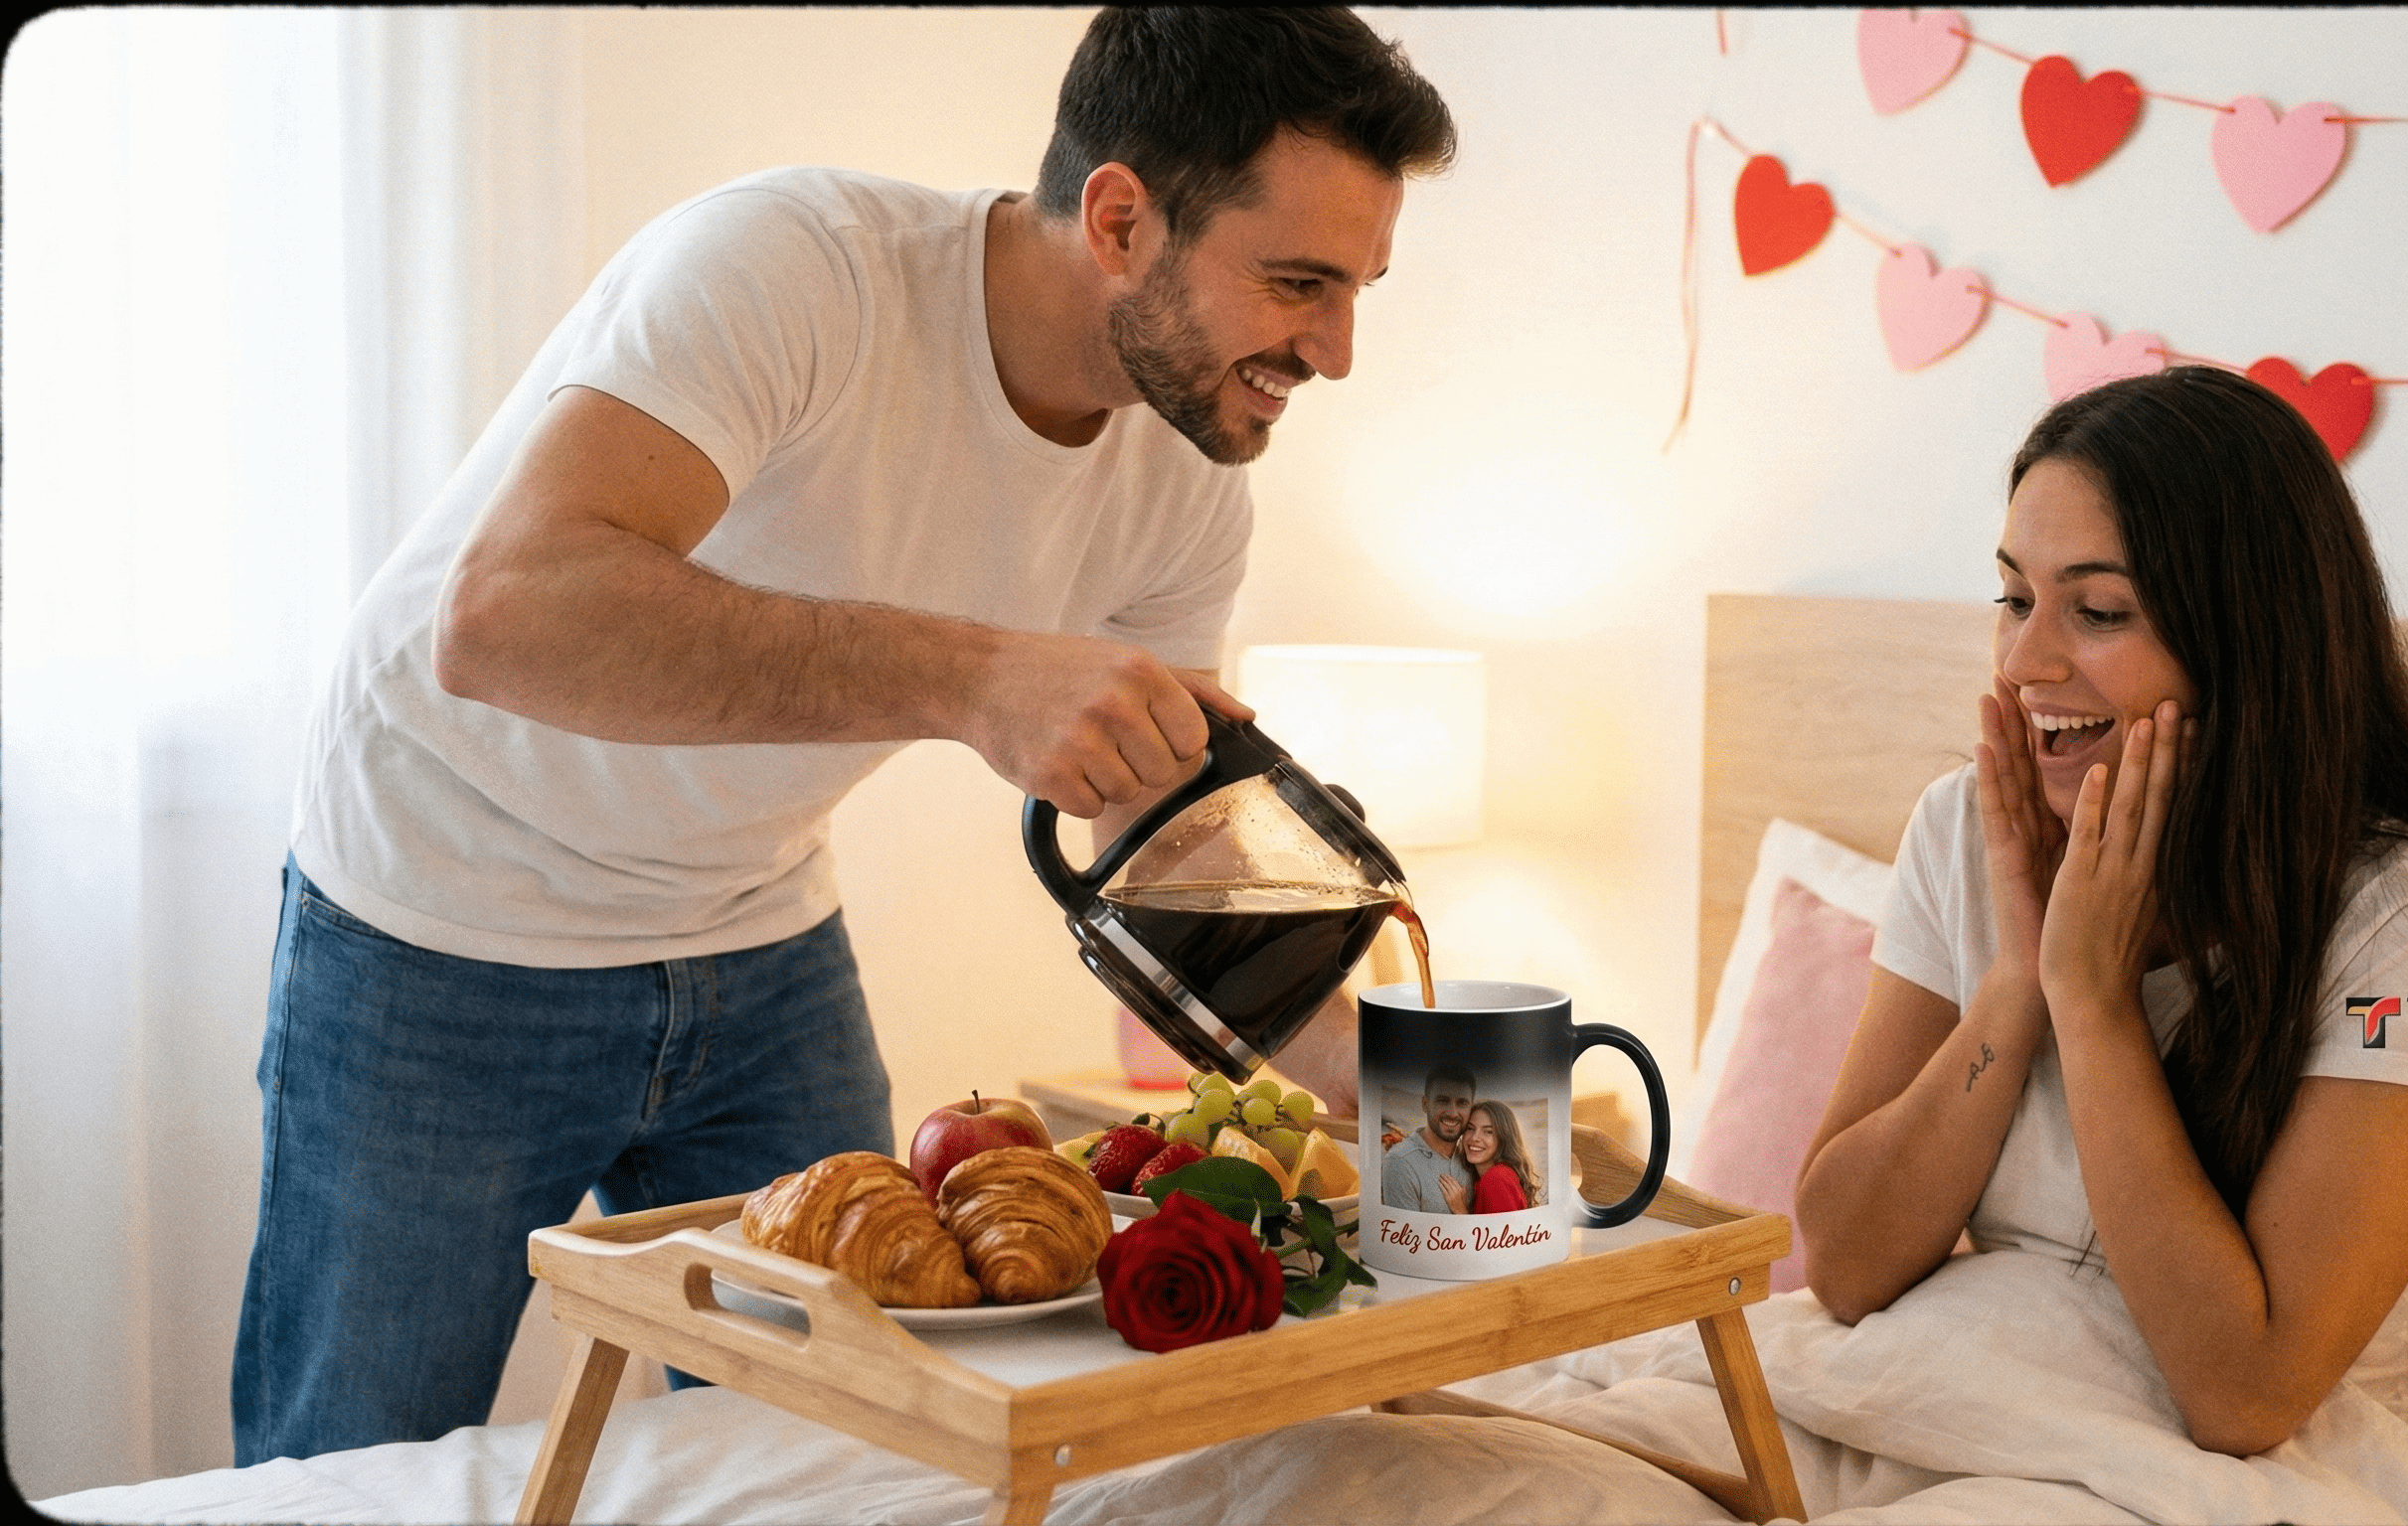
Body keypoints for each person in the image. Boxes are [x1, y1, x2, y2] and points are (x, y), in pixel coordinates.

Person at [234, 7, 1454, 1464]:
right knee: (351, 1460)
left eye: (1359, 289)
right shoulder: (796, 268)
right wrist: (975, 678)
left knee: (853, 1449)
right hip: (444, 923)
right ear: (1122, 219)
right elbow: (507, 617)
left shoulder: (1186, 489)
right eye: (1299, 282)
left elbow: (1172, 873)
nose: (1335, 348)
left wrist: (1419, 1110)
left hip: (757, 939)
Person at [1793, 366, 2408, 1456]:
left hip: (2259, 1482)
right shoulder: (1969, 828)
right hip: (1951, 1412)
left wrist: (2090, 1000)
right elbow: (1843, 1267)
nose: (2022, 661)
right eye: (2013, 598)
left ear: (2248, 641)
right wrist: (2015, 984)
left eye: (2096, 611)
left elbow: (2245, 1396)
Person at [1379, 1065, 1476, 1212]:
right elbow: (1407, 1233)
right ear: (1425, 1104)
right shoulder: (1400, 1162)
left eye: (1462, 1103)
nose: (1452, 1113)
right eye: (1443, 1101)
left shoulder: (1472, 1158)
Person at [1438, 1098, 1538, 1214]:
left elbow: (1503, 1232)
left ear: (1504, 1138)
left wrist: (1460, 1210)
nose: (1475, 1138)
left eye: (1488, 1131)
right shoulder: (1496, 1175)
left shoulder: (1496, 1179)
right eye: (1470, 1128)